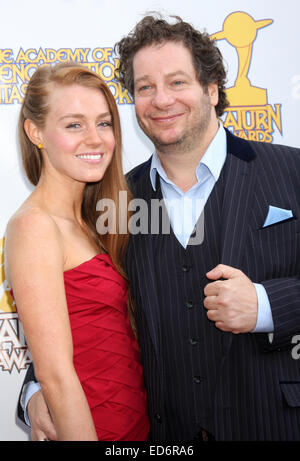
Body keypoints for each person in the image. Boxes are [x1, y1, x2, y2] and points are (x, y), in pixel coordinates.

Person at [19, 15, 300, 441]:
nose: (161, 99)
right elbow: (82, 314)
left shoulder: (291, 171)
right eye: (145, 87)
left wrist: (267, 305)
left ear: (211, 89)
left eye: (177, 82)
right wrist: (36, 389)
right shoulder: (113, 199)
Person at [5, 63, 149, 441]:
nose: (95, 138)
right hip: (93, 428)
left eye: (103, 123)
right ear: (36, 132)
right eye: (74, 125)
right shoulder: (34, 226)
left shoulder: (99, 220)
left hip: (138, 424)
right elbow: (55, 374)